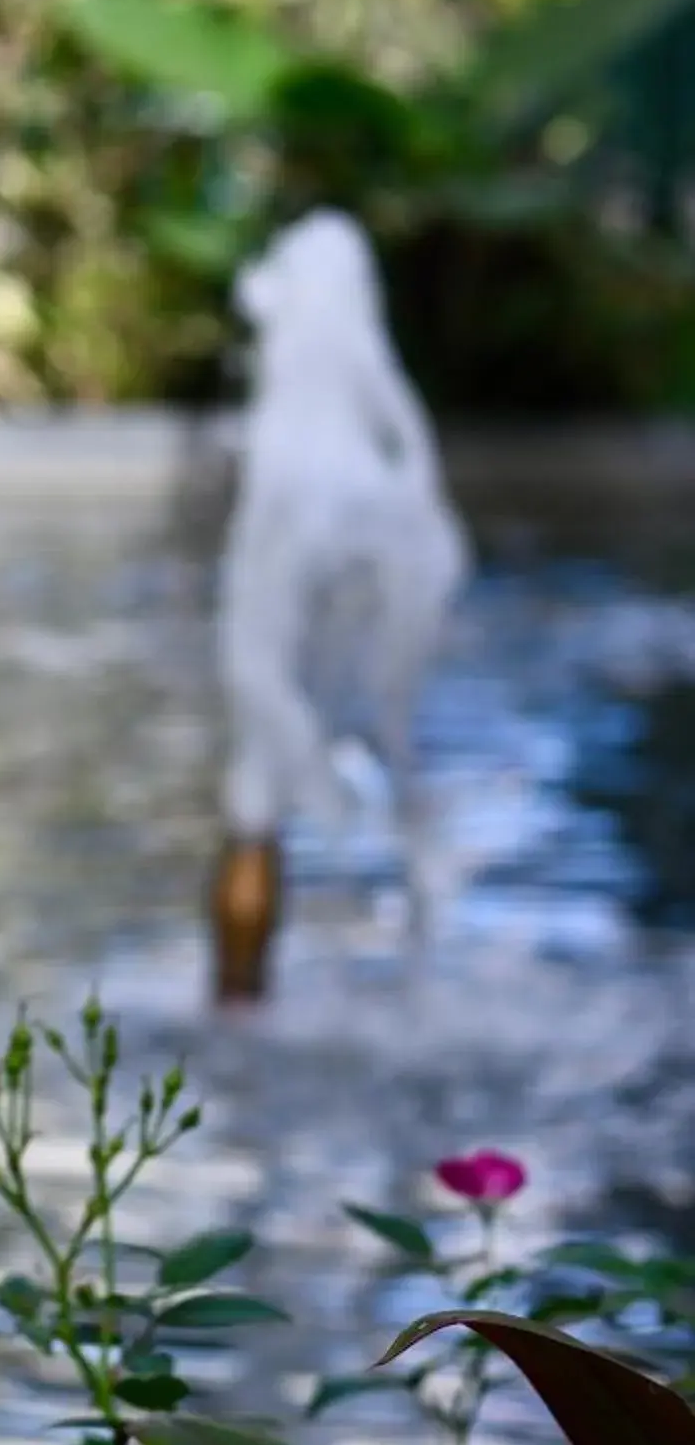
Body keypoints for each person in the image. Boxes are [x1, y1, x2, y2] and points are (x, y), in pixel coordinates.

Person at [209, 208, 467, 1001]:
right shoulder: (362, 361)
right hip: (381, 525)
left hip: (295, 526)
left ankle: (237, 996)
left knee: (255, 781)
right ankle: (418, 940)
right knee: (387, 741)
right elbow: (418, 468)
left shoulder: (284, 384)